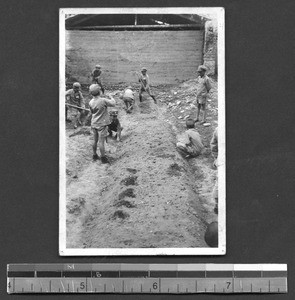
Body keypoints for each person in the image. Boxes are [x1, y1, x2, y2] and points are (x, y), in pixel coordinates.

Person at [88, 84, 116, 163]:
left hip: (94, 123)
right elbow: (113, 103)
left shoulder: (91, 102)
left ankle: (94, 155)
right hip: (102, 125)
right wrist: (111, 97)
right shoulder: (103, 100)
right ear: (99, 92)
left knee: (95, 140)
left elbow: (92, 112)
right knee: (101, 142)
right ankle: (103, 158)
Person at [210, 127, 218, 214]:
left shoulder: (218, 130)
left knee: (219, 184)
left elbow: (213, 146)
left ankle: (217, 205)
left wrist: (216, 158)